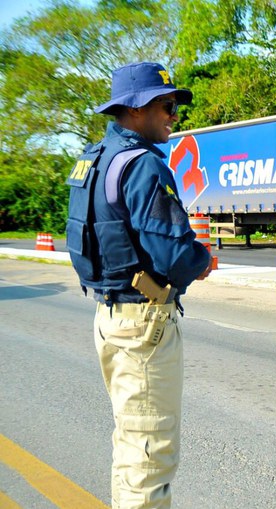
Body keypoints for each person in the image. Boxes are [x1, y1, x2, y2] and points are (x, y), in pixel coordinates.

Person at [65, 62, 212, 509]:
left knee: (131, 449)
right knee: (149, 461)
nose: (173, 115)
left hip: (111, 317)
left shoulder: (95, 158)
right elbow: (175, 255)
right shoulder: (144, 166)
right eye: (166, 105)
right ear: (135, 108)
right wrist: (202, 261)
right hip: (143, 325)